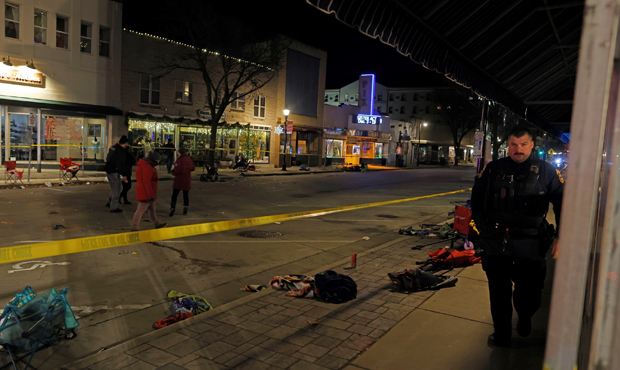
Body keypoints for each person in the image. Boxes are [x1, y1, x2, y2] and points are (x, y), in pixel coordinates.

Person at [471, 126, 564, 347]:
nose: (518, 149)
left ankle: (524, 316)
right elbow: (477, 201)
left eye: (523, 144)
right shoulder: (493, 169)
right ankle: (501, 335)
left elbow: (563, 204)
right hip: (497, 242)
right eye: (513, 144)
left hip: (530, 243)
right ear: (508, 146)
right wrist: (483, 232)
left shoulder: (547, 171)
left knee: (529, 293)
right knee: (498, 292)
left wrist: (561, 236)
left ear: (532, 145)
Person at [131, 151, 166, 230]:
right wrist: (149, 195)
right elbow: (147, 182)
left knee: (152, 209)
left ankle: (157, 223)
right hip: (146, 192)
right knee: (141, 210)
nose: (158, 163)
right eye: (157, 161)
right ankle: (134, 226)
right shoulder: (147, 167)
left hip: (147, 191)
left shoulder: (145, 165)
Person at [105, 136, 129, 213]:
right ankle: (113, 207)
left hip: (110, 170)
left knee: (117, 188)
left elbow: (108, 158)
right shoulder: (120, 151)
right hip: (114, 171)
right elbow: (120, 164)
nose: (127, 145)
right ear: (124, 143)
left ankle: (110, 201)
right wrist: (124, 175)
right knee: (117, 190)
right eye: (127, 143)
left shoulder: (113, 147)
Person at [169, 148, 195, 216]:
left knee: (174, 195)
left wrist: (173, 172)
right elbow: (192, 168)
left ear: (180, 153)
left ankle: (172, 208)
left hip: (179, 180)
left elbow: (177, 170)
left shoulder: (179, 160)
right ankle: (185, 208)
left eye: (178, 152)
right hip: (186, 180)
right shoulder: (189, 159)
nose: (177, 154)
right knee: (185, 195)